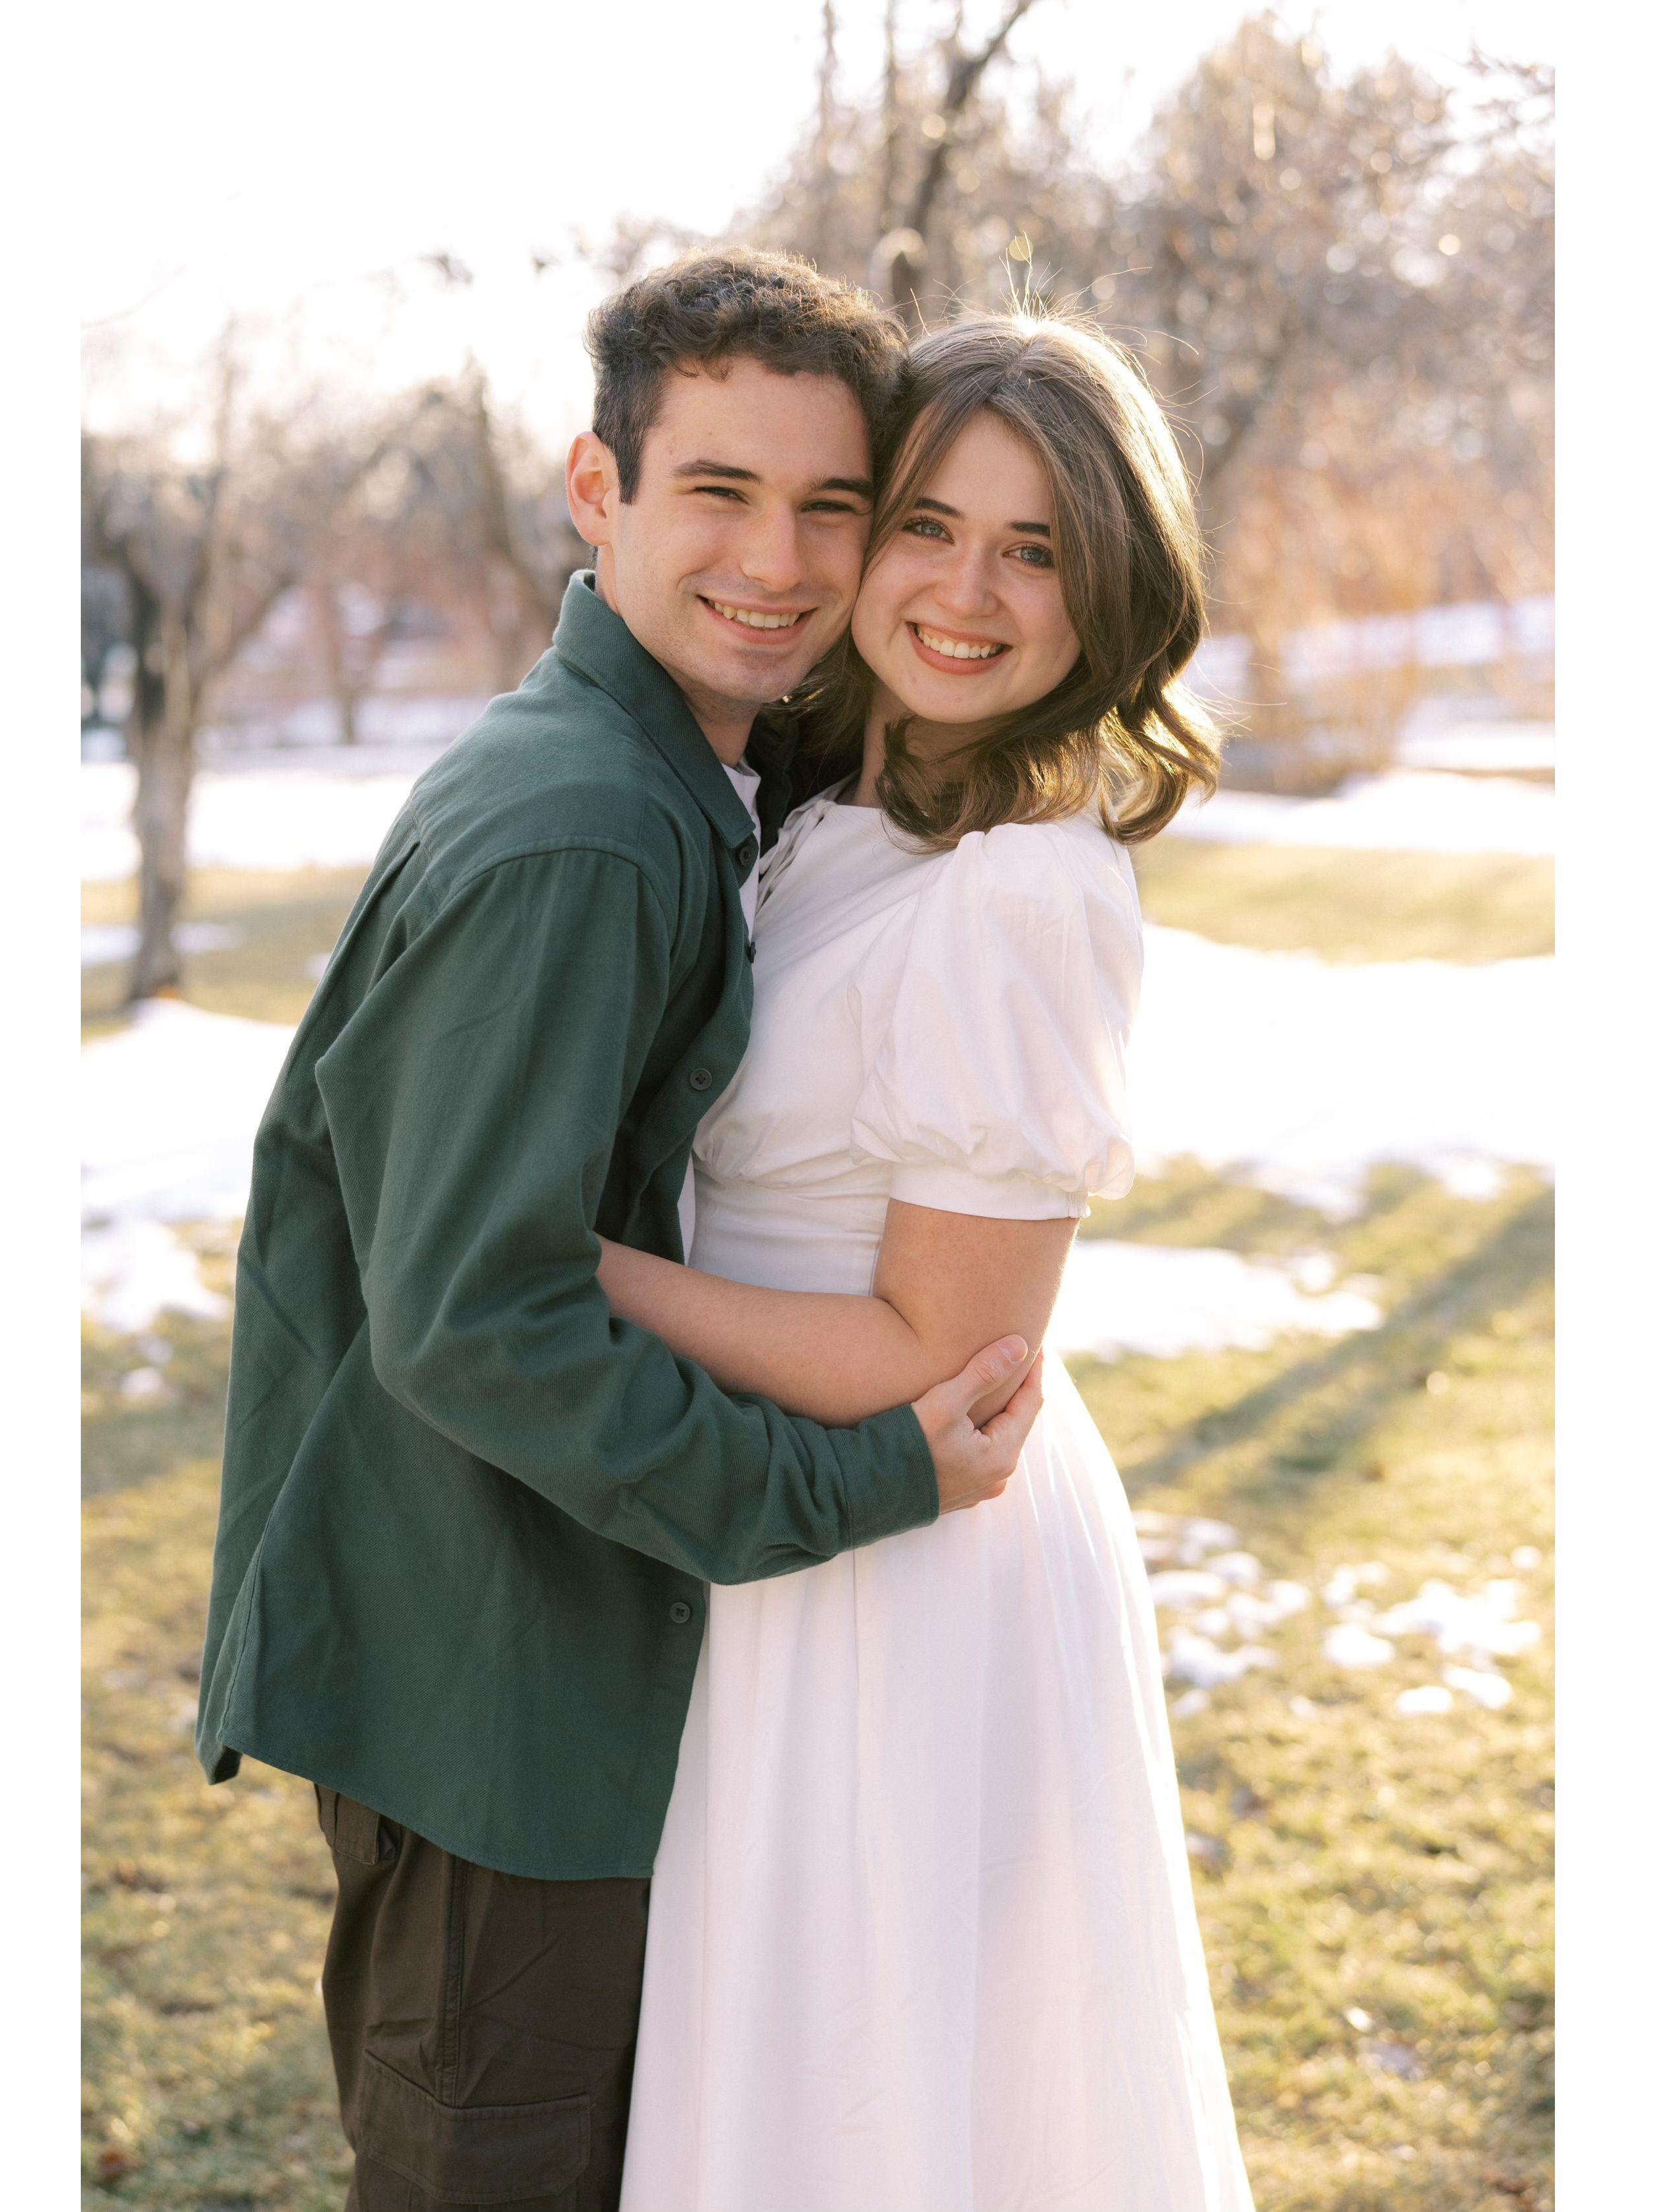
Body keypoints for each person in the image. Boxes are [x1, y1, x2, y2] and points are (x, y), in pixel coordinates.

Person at [192, 251, 1044, 2212]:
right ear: (600, 489)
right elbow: (481, 1317)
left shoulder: (677, 775)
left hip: (538, 1643)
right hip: (488, 1685)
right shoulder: (585, 827)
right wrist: (853, 1481)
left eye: (835, 505)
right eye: (720, 491)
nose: (781, 559)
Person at [607, 312, 1259, 2211]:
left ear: (1107, 588)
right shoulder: (832, 817)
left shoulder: (1027, 886)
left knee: (884, 2103)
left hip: (905, 1557)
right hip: (773, 1512)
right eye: (928, 525)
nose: (967, 594)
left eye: (1035, 549)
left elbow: (940, 1355)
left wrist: (569, 1276)